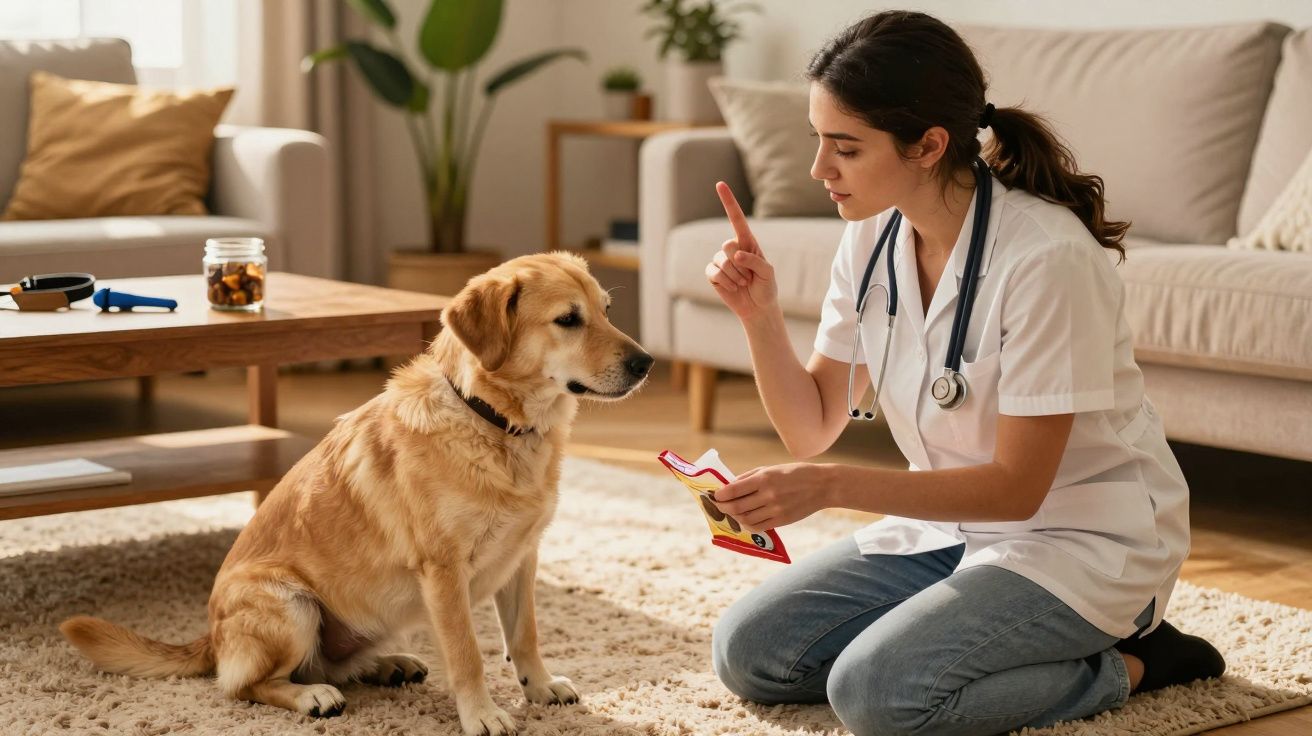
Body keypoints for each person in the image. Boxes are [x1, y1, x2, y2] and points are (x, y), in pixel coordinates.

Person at [703, 10, 1225, 736]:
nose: (818, 169)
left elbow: (1019, 488)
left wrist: (830, 489)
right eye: (818, 140)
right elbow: (813, 425)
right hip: (947, 526)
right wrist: (758, 315)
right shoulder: (870, 239)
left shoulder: (1046, 259)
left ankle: (1138, 663)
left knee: (877, 694)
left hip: (1080, 541)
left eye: (845, 148)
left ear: (929, 145)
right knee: (752, 653)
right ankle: (956, 636)